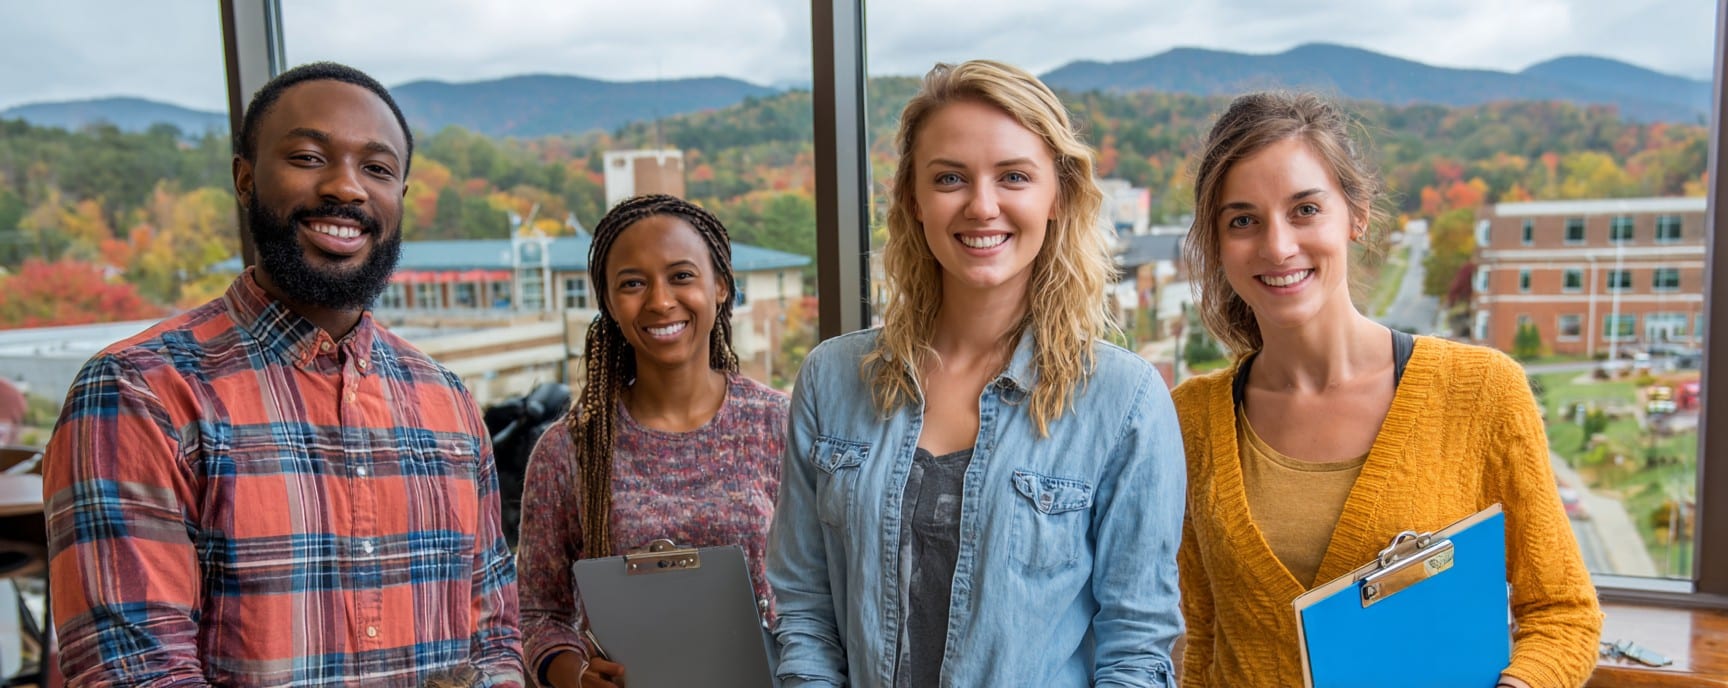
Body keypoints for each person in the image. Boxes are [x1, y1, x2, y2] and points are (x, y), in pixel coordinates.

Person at [42, 62, 523, 687]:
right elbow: (137, 675)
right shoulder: (142, 395)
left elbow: (493, 640)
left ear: (399, 198)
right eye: (307, 156)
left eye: (377, 169)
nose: (347, 189)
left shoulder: (447, 401)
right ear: (245, 178)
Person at [766, 60, 1186, 687]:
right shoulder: (833, 379)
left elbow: (1137, 650)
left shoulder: (1123, 401)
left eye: (1014, 176)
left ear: (1058, 195)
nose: (982, 206)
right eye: (950, 178)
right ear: (913, 196)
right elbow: (805, 609)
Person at [1173, 91, 1601, 688]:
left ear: (1356, 214)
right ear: (1218, 245)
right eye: (1243, 220)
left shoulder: (1480, 392)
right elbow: (1204, 633)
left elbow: (1562, 612)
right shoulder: (1191, 418)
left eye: (1304, 210)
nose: (1277, 246)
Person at [517, 194, 789, 688]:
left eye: (682, 275)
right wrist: (575, 676)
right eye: (633, 283)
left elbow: (823, 592)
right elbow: (538, 613)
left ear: (721, 286)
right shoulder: (567, 449)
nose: (661, 301)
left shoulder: (779, 424)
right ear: (609, 303)